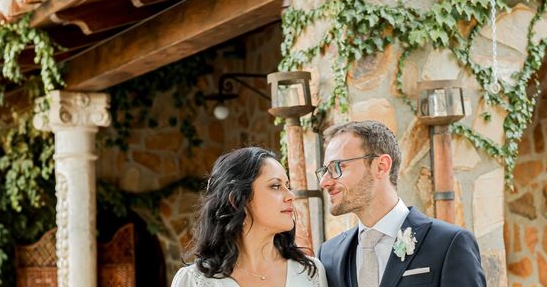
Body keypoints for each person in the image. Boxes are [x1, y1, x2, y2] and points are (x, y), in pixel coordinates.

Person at [317, 120, 486, 287]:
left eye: (336, 167)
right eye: (324, 171)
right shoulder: (329, 255)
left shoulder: (449, 244)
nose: (324, 182)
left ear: (381, 166)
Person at [171, 146, 328, 287]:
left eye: (288, 186)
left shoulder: (310, 273)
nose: (291, 196)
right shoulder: (193, 281)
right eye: (275, 186)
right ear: (237, 200)